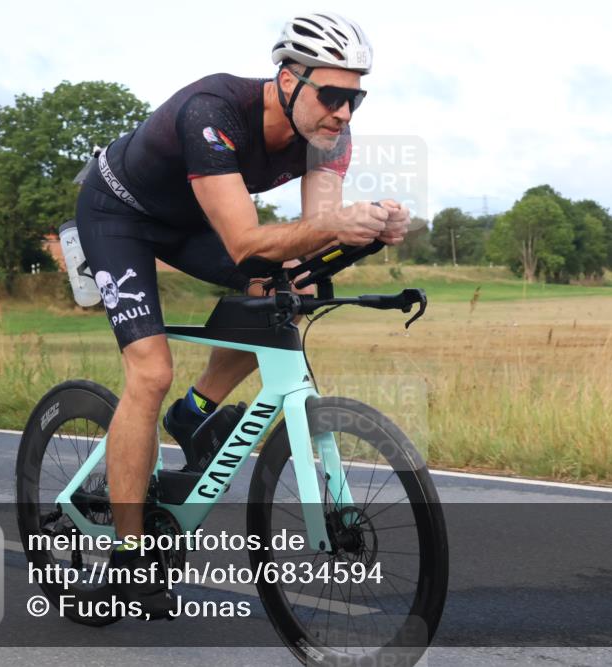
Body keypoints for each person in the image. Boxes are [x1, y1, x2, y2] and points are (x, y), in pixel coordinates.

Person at [74, 12, 410, 618]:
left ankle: (194, 411)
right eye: (332, 94)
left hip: (188, 222)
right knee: (148, 372)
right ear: (288, 79)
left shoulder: (330, 136)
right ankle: (130, 560)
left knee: (287, 289)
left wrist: (369, 235)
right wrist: (333, 226)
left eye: (355, 98)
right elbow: (243, 243)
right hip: (118, 214)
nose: (344, 112)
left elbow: (311, 245)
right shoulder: (214, 110)